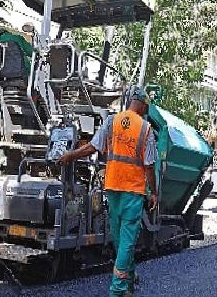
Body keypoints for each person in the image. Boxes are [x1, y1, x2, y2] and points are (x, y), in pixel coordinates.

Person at [59, 87, 158, 297]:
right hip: (132, 191)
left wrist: (70, 155)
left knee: (121, 240)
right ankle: (118, 290)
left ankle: (129, 282)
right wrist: (154, 192)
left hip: (112, 188)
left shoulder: (112, 121)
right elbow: (149, 166)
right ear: (141, 105)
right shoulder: (145, 129)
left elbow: (92, 148)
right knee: (128, 241)